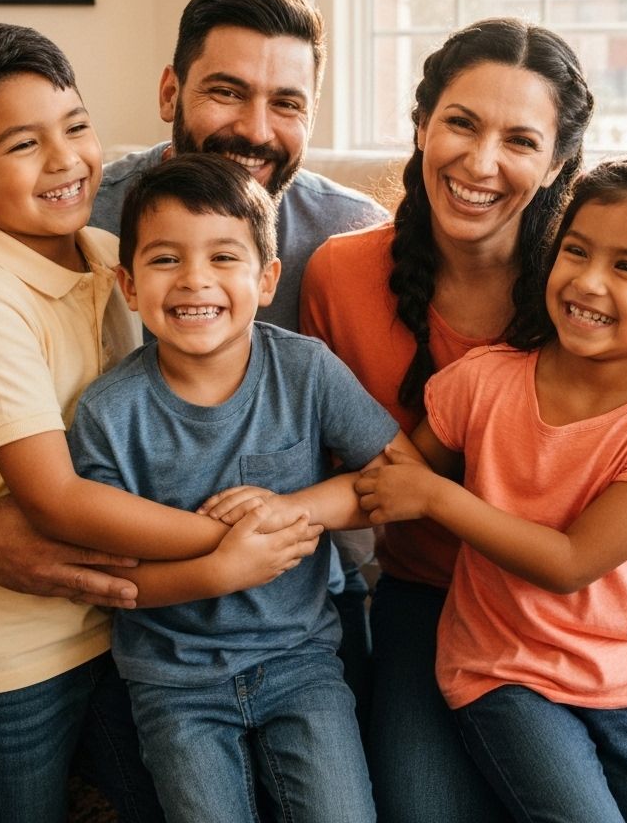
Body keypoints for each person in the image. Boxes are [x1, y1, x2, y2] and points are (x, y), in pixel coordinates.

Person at [0, 0, 386, 808]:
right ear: (172, 90)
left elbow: (401, 455)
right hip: (139, 610)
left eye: (287, 102)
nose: (255, 128)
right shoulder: (91, 214)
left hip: (292, 602)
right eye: (227, 91)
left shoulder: (350, 235)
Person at [300, 18, 627, 821]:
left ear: (558, 163)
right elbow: (345, 463)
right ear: (421, 127)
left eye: (519, 139)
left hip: (612, 607)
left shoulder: (592, 289)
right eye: (460, 123)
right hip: (438, 596)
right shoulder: (340, 275)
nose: (481, 162)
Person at [354, 153, 627, 822]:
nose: (587, 280)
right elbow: (393, 475)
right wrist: (289, 509)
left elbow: (571, 563)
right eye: (576, 251)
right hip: (502, 670)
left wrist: (438, 499)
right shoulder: (484, 379)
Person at [64, 152, 414, 822]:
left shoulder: (305, 370)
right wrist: (222, 569)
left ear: (266, 277)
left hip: (301, 659)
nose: (195, 280)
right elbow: (118, 580)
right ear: (129, 285)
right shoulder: (109, 413)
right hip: (173, 681)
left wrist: (292, 508)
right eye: (165, 260)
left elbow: (393, 474)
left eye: (224, 257)